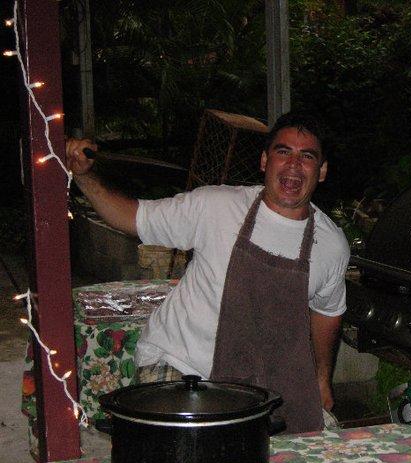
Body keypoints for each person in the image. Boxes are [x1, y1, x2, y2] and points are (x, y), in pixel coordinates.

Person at [65, 112, 350, 434]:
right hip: (182, 367)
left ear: (321, 171)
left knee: (320, 448)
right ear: (264, 161)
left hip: (263, 385)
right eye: (283, 152)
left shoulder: (330, 245)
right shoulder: (215, 206)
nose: (294, 165)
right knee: (191, 453)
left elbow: (327, 312)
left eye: (307, 156)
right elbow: (131, 217)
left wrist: (321, 379)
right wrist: (85, 176)